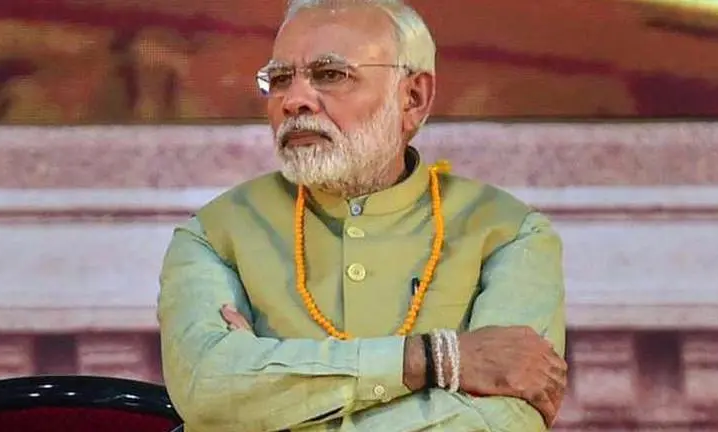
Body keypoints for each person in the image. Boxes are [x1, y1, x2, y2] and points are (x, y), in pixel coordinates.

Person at [157, 1, 568, 431]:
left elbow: (499, 420)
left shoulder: (508, 233)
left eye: (330, 74)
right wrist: (434, 360)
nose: (294, 100)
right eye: (279, 79)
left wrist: (271, 400)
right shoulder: (215, 234)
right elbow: (207, 388)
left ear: (412, 98)